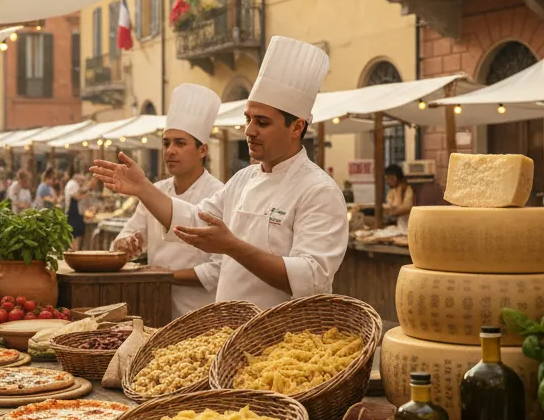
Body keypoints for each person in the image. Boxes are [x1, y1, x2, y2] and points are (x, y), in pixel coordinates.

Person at [92, 37, 348, 309]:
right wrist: (143, 188)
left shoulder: (319, 190)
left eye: (262, 122)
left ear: (296, 127)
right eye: (248, 119)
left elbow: (311, 279)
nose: (249, 131)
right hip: (228, 327)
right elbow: (194, 219)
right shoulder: (244, 179)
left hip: (281, 332)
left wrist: (232, 246)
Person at [112, 83, 226, 318]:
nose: (170, 150)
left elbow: (219, 268)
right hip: (155, 307)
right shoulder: (155, 191)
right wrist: (126, 244)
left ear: (202, 150)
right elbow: (126, 235)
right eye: (166, 143)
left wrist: (165, 276)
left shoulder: (219, 194)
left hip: (200, 313)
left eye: (180, 143)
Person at [63, 169, 91, 251]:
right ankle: (74, 253)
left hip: (75, 214)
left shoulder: (73, 183)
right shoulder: (72, 184)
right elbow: (77, 196)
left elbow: (81, 191)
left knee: (76, 236)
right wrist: (86, 194)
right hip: (73, 214)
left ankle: (75, 252)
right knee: (74, 237)